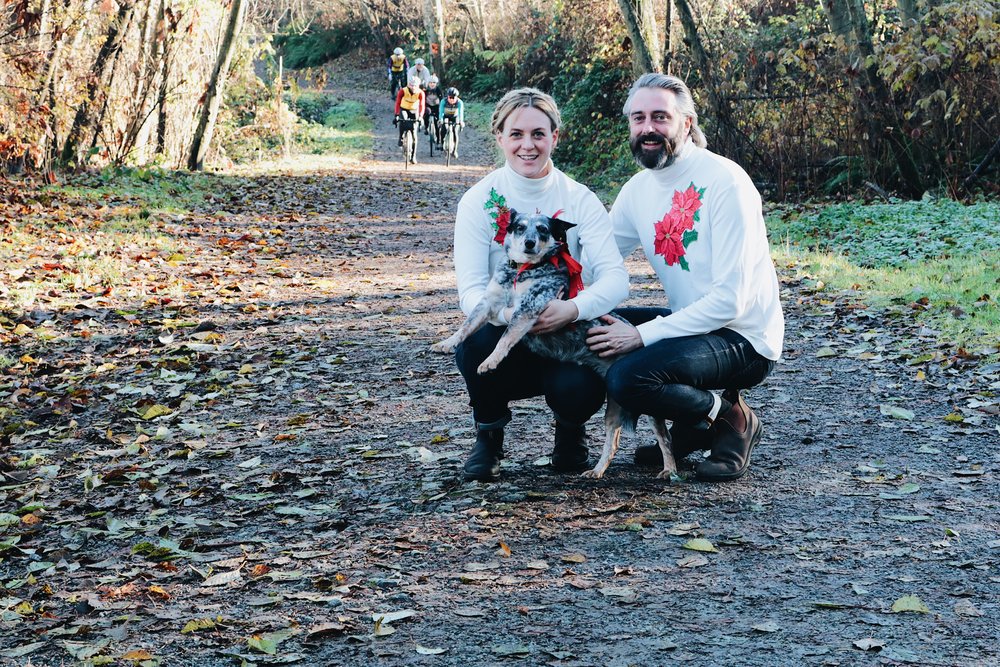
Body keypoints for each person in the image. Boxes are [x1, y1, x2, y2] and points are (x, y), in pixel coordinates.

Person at [587, 73, 784, 482]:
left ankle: (729, 417)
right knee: (593, 329)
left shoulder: (726, 182)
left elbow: (731, 302)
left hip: (744, 337)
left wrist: (642, 335)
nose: (647, 128)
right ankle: (692, 426)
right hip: (692, 324)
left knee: (629, 376)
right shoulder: (637, 190)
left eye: (660, 117)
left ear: (687, 123)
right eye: (638, 118)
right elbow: (597, 262)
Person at [447, 87, 629, 482]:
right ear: (499, 137)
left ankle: (570, 430)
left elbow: (616, 279)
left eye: (538, 134)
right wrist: (517, 316)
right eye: (516, 134)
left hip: (566, 334)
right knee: (472, 343)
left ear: (554, 138)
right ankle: (489, 436)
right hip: (508, 334)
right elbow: (471, 290)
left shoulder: (580, 200)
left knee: (581, 383)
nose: (527, 145)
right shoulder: (478, 202)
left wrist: (574, 309)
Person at [394, 76, 426, 152]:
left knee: (414, 132)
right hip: (404, 109)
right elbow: (398, 103)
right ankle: (401, 137)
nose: (413, 87)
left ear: (418, 85)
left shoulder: (421, 93)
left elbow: (422, 105)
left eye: (415, 85)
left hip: (414, 110)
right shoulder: (403, 91)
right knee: (403, 120)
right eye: (411, 85)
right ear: (408, 84)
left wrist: (421, 116)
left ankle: (413, 155)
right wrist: (397, 114)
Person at [438, 87, 465, 155]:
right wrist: (441, 119)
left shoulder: (459, 102)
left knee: (455, 131)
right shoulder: (443, 101)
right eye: (450, 97)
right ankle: (442, 143)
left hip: (455, 117)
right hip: (446, 116)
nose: (452, 99)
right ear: (447, 97)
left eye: (453, 97)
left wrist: (461, 121)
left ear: (457, 97)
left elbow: (460, 113)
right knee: (443, 128)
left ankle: (454, 150)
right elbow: (441, 111)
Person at [423, 75, 443, 143]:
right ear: (428, 83)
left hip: (436, 106)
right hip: (428, 105)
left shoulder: (438, 90)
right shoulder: (425, 90)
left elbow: (442, 100)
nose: (432, 84)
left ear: (436, 84)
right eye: (430, 83)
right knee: (426, 114)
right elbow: (422, 99)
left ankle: (438, 139)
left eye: (434, 83)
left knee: (436, 122)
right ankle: (426, 127)